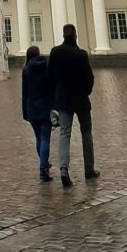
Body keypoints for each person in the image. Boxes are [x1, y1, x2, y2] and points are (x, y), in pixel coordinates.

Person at [47, 24, 98, 187]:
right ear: (75, 35)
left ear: (63, 35)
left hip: (63, 100)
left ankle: (63, 169)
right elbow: (89, 78)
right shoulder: (81, 54)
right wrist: (86, 91)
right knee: (86, 132)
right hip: (81, 99)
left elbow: (50, 76)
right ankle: (89, 169)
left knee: (64, 133)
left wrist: (56, 94)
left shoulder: (55, 52)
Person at [21, 45, 54, 182]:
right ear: (39, 53)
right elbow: (51, 88)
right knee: (45, 138)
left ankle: (43, 164)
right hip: (45, 107)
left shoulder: (26, 70)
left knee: (38, 139)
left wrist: (25, 112)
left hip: (32, 108)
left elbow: (24, 92)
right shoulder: (46, 67)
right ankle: (43, 167)